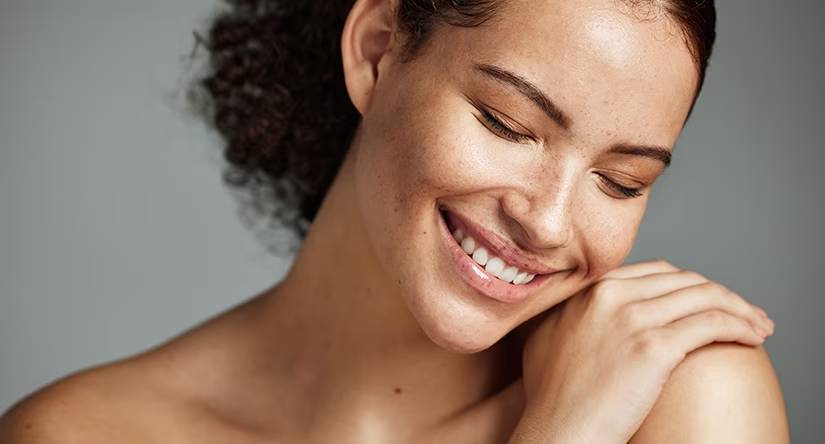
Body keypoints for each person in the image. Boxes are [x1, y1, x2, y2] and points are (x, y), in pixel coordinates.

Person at [0, 0, 790, 442]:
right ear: (378, 52)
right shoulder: (76, 434)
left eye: (620, 182)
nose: (548, 222)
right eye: (507, 123)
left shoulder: (679, 403)